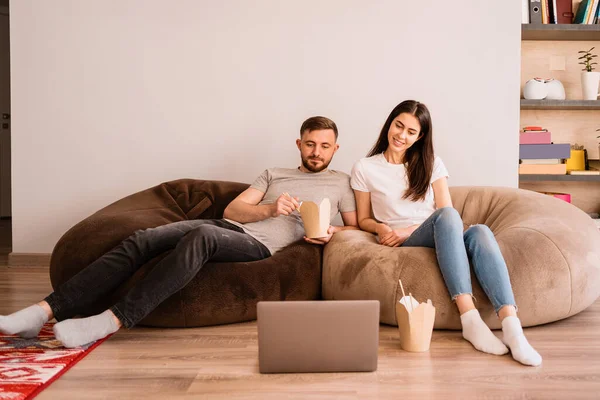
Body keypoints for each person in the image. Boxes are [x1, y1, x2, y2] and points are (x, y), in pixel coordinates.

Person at [0, 116, 357, 348]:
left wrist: (327, 232)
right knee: (144, 238)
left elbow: (352, 229)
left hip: (259, 246)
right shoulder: (273, 174)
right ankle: (44, 311)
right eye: (310, 144)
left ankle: (113, 320)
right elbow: (233, 210)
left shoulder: (341, 183)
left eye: (325, 146)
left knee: (199, 238)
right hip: (229, 226)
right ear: (299, 143)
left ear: (335, 149)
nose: (316, 152)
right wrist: (269, 208)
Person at [350, 100, 541, 366]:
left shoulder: (432, 164)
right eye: (398, 126)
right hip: (409, 242)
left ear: (420, 137)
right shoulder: (365, 167)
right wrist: (382, 227)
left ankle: (512, 327)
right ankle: (469, 318)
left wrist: (407, 230)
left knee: (481, 232)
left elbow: (445, 210)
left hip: (430, 231)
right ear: (389, 124)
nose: (401, 135)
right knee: (449, 217)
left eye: (411, 132)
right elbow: (363, 219)